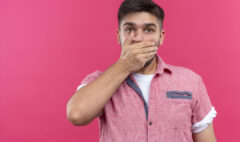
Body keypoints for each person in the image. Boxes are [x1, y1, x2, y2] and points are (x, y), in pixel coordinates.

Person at [66, 0, 217, 141]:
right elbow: (76, 115)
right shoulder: (99, 81)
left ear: (161, 37)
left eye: (148, 30)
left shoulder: (190, 81)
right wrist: (125, 65)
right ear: (119, 36)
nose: (138, 38)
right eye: (130, 29)